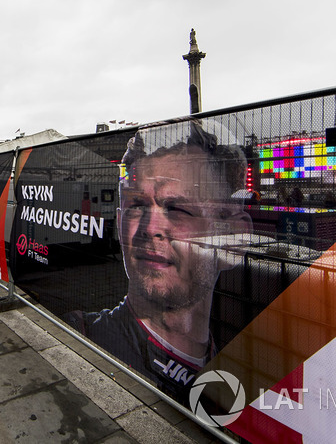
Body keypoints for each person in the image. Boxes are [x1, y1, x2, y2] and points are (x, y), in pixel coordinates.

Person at [65, 121, 253, 401]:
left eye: (177, 209)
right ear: (119, 222)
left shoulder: (242, 378)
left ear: (234, 239)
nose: (149, 227)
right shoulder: (81, 336)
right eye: (137, 206)